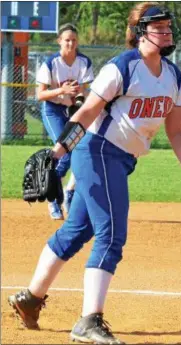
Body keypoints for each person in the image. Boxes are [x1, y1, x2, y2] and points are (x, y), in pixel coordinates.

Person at [8, 3, 181, 344]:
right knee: (111, 234)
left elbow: (177, 130)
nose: (167, 31)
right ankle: (89, 320)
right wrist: (57, 153)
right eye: (158, 27)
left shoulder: (173, 75)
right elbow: (85, 114)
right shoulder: (121, 68)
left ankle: (30, 298)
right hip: (97, 152)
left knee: (76, 231)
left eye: (168, 26)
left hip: (121, 159)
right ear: (141, 33)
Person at [37, 23, 94, 220]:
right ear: (59, 41)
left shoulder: (84, 62)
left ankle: (68, 192)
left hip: (74, 111)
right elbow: (40, 94)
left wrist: (81, 93)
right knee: (66, 151)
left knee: (82, 152)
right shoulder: (51, 63)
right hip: (53, 110)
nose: (70, 43)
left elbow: (87, 91)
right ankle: (54, 199)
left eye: (74, 40)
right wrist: (62, 90)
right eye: (67, 39)